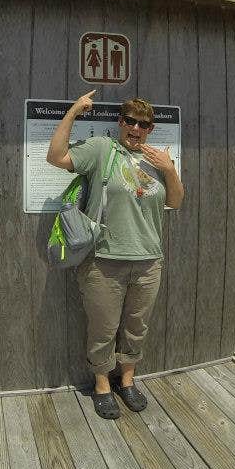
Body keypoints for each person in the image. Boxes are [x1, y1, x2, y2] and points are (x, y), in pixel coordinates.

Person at [46, 91, 184, 419]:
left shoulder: (158, 158)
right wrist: (75, 110)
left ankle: (127, 380)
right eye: (130, 121)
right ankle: (102, 384)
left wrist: (170, 170)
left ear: (151, 129)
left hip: (149, 260)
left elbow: (175, 202)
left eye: (144, 124)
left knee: (137, 325)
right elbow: (56, 157)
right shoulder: (102, 150)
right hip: (104, 261)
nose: (136, 128)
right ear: (120, 123)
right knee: (103, 327)